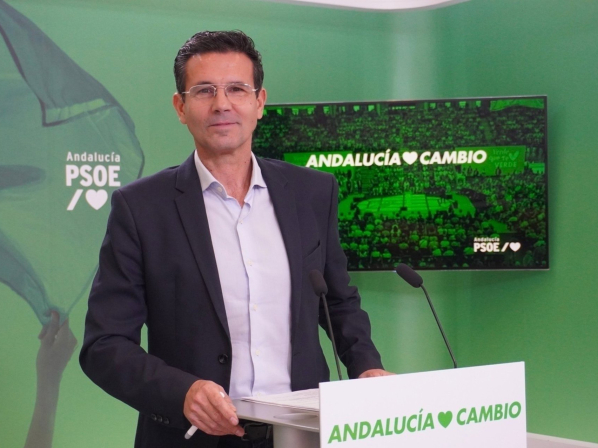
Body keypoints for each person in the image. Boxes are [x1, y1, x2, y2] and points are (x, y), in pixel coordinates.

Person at [80, 30, 390, 448]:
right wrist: (184, 394)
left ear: (259, 102)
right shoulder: (141, 208)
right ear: (181, 107)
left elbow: (337, 301)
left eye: (237, 89)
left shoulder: (313, 193)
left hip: (303, 433)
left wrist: (366, 367)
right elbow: (105, 345)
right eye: (204, 90)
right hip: (192, 437)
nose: (222, 104)